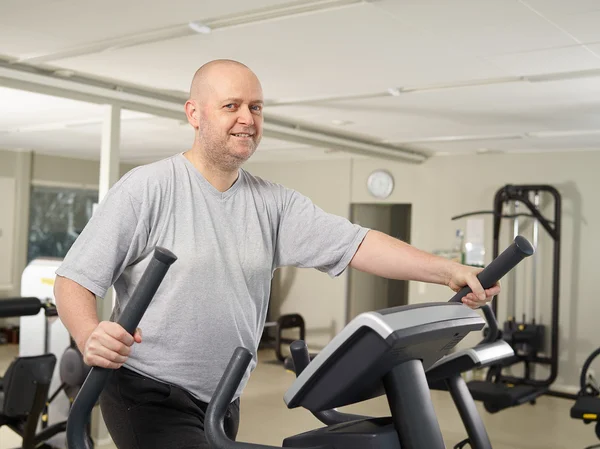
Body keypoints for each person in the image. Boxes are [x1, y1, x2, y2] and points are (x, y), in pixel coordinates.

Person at [53, 59, 500, 449]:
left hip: (223, 396)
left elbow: (357, 243)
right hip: (147, 392)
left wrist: (446, 271)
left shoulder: (273, 203)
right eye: (231, 105)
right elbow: (74, 279)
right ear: (194, 113)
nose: (247, 118)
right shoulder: (148, 188)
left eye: (256, 107)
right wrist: (89, 331)